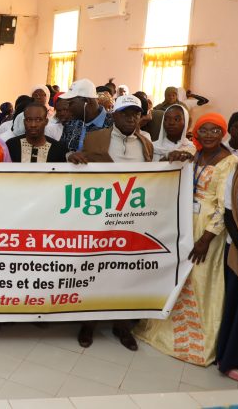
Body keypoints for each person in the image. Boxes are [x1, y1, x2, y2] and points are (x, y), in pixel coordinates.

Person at [135, 113, 237, 366]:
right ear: (196, 132)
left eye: (215, 130)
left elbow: (224, 207)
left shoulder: (229, 162)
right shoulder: (194, 153)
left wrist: (206, 239)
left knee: (201, 280)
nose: (209, 135)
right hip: (183, 224)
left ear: (223, 133)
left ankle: (197, 343)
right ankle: (167, 332)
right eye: (204, 130)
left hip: (207, 230)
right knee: (178, 276)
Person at [69, 95, 153, 351]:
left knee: (127, 272)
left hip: (133, 217)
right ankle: (88, 323)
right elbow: (79, 168)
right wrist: (73, 158)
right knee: (95, 268)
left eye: (135, 114)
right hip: (100, 217)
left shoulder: (146, 143)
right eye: (125, 113)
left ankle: (122, 325)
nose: (131, 118)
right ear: (114, 115)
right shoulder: (96, 138)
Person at [219, 132, 238, 381]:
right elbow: (229, 215)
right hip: (237, 251)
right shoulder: (237, 174)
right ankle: (226, 357)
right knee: (233, 305)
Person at [58, 79, 114, 153]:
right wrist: (69, 156)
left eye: (71, 103)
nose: (68, 107)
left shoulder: (113, 125)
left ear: (87, 101)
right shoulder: (70, 124)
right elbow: (61, 152)